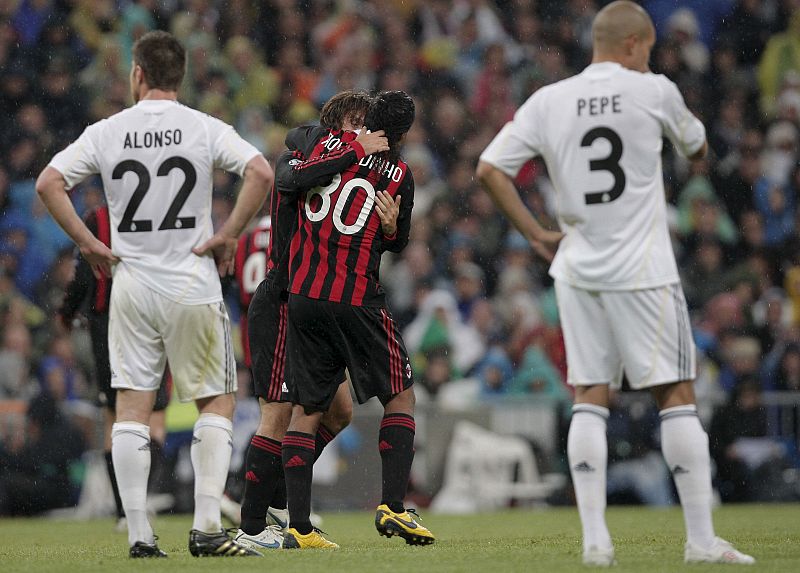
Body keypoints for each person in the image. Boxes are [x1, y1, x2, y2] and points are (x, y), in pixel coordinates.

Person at [476, 1, 754, 566]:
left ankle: (596, 542)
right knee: (676, 397)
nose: (647, 58)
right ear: (633, 44)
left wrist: (533, 231)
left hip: (578, 269)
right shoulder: (653, 90)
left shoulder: (549, 100)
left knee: (589, 398)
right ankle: (700, 541)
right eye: (647, 49)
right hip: (645, 270)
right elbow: (698, 148)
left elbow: (488, 169)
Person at [35, 30, 272, 558]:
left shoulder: (108, 131)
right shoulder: (203, 127)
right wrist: (230, 231)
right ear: (180, 76)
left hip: (132, 286)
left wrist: (89, 243)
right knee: (216, 400)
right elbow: (260, 171)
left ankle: (140, 534)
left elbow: (48, 183)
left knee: (130, 409)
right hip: (191, 281)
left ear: (137, 74)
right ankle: (207, 525)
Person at [233, 90, 389, 550]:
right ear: (337, 123)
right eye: (357, 122)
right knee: (279, 414)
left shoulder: (346, 170)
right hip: (282, 298)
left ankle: (280, 498)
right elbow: (291, 172)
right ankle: (252, 527)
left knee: (338, 410)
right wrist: (353, 148)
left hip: (315, 303)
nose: (363, 132)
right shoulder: (301, 159)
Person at [279, 91, 435, 549]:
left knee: (307, 409)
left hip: (304, 294)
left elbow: (293, 166)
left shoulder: (327, 146)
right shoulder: (399, 173)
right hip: (356, 297)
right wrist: (390, 230)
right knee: (401, 396)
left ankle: (299, 527)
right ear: (403, 133)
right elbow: (397, 242)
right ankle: (392, 506)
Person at [59, 204, 171, 530]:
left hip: (106, 319)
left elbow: (83, 271)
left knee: (115, 413)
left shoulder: (99, 218)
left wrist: (67, 312)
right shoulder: (158, 210)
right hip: (152, 316)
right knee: (155, 415)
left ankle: (126, 511)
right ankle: (140, 501)